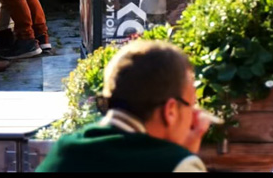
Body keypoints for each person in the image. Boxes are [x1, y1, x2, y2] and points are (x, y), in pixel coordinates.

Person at [37, 39, 212, 172]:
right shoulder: (179, 165)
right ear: (171, 111)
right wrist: (180, 156)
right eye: (192, 104)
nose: (194, 114)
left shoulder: (63, 151)